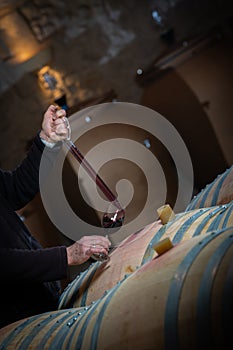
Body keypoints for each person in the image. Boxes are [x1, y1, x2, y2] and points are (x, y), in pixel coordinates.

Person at [0, 105, 111, 329]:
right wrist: (67, 255)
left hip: (40, 301)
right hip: (15, 323)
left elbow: (15, 188)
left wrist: (46, 142)